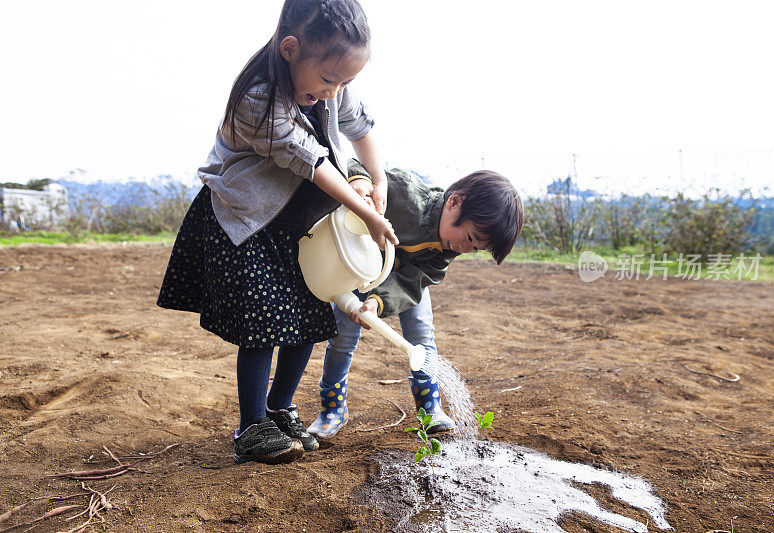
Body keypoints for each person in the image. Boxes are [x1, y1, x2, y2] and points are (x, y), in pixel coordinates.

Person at [156, 0, 397, 465]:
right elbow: (313, 163)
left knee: (307, 316)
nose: (334, 92)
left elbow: (359, 124)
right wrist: (363, 210)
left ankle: (280, 409)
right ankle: (251, 427)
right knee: (263, 324)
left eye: (345, 82)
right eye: (329, 80)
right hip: (243, 219)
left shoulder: (332, 82)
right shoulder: (257, 99)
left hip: (293, 223)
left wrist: (378, 178)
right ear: (291, 49)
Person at [307, 159, 524, 438]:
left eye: (475, 248)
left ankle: (429, 408)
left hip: (404, 284)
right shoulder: (403, 191)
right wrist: (360, 183)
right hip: (361, 271)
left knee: (422, 337)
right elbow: (354, 164)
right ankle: (332, 409)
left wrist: (378, 302)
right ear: (455, 202)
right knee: (342, 339)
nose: (463, 248)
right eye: (469, 237)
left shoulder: (446, 251)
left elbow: (414, 282)